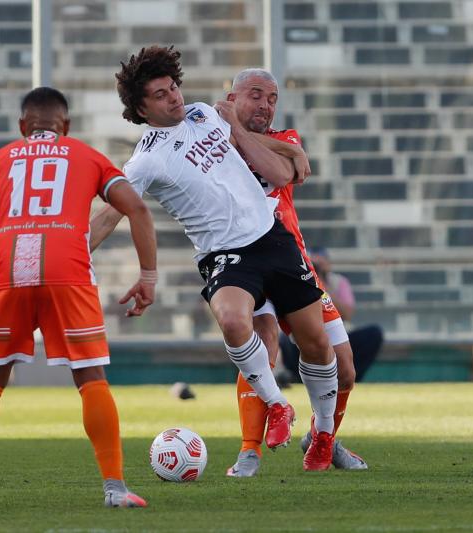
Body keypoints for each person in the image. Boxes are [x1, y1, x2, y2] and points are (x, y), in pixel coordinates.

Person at [89, 45, 338, 471]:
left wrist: (291, 151)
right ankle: (277, 404)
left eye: (173, 87)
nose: (174, 97)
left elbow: (246, 141)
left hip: (272, 237)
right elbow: (113, 212)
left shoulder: (204, 113)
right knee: (233, 320)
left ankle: (325, 433)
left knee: (315, 343)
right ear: (142, 108)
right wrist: (74, 252)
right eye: (161, 95)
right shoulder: (147, 160)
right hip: (224, 253)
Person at [0, 87, 158, 509]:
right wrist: (147, 276)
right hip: (67, 271)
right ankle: (115, 490)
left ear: (23, 125)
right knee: (91, 378)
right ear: (65, 126)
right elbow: (138, 209)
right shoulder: (87, 156)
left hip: (10, 271)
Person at [221, 68, 368, 477]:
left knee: (344, 368)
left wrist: (238, 130)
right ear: (232, 98)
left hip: (294, 265)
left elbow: (288, 167)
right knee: (263, 343)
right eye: (255, 95)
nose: (265, 105)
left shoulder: (286, 139)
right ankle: (249, 451)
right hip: (246, 264)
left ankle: (323, 437)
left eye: (272, 99)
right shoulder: (212, 143)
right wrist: (227, 128)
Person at [281, 247, 384, 384]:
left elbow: (347, 314)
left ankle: (348, 377)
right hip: (306, 336)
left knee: (373, 334)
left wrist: (321, 284)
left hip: (336, 335)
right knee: (285, 338)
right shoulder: (295, 280)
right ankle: (297, 377)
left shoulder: (339, 282)